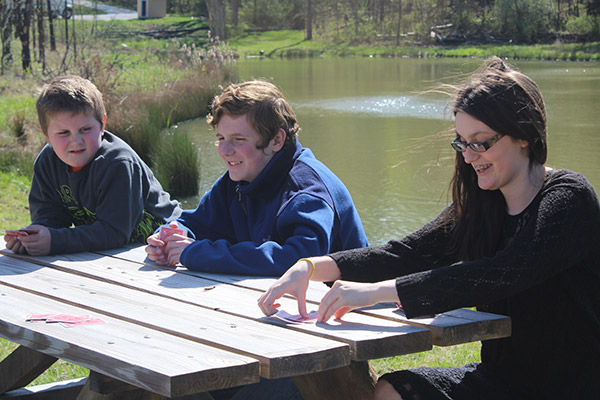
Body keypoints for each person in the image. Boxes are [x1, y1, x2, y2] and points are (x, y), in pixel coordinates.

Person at [258, 57, 600, 399]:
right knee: (392, 391)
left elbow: (505, 271)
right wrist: (312, 267)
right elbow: (407, 253)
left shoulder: (570, 198)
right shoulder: (484, 205)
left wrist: (378, 292)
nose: (469, 156)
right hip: (500, 381)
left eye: (481, 142)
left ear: (523, 135)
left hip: (571, 386)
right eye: (462, 142)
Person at [145, 80, 368, 275]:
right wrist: (168, 239)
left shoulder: (307, 192)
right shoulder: (238, 180)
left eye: (239, 139)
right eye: (221, 138)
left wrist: (198, 254)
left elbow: (301, 259)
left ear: (276, 141)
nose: (224, 151)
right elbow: (194, 222)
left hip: (347, 312)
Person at [4, 75, 182, 256]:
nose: (76, 141)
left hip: (166, 246)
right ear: (46, 134)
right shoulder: (47, 163)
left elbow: (114, 232)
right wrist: (33, 236)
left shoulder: (117, 163)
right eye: (64, 133)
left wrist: (55, 241)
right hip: (116, 252)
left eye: (85, 130)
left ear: (102, 124)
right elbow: (50, 217)